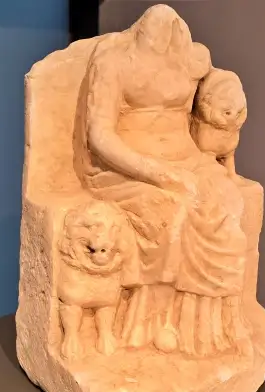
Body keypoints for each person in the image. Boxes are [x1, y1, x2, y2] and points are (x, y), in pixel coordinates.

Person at [73, 5, 251, 355]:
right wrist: (157, 172)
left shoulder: (192, 58)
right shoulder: (113, 63)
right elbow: (99, 137)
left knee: (227, 201)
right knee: (175, 209)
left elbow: (220, 87)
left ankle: (212, 324)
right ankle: (153, 322)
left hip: (187, 158)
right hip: (123, 168)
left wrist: (230, 108)